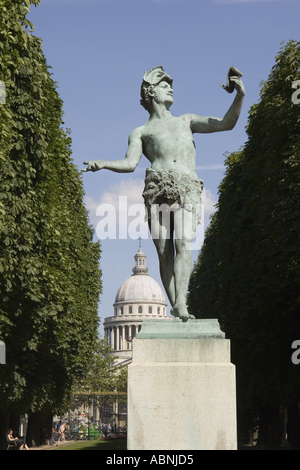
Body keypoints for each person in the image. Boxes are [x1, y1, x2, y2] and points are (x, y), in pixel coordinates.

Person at [83, 66, 245, 321]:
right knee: (162, 251)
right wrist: (103, 163)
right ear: (150, 92)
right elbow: (129, 164)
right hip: (156, 188)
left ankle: (181, 302)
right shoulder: (140, 132)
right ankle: (176, 306)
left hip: (186, 187)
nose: (170, 88)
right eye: (164, 84)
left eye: (170, 84)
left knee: (183, 243)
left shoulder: (187, 121)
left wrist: (239, 96)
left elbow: (226, 124)